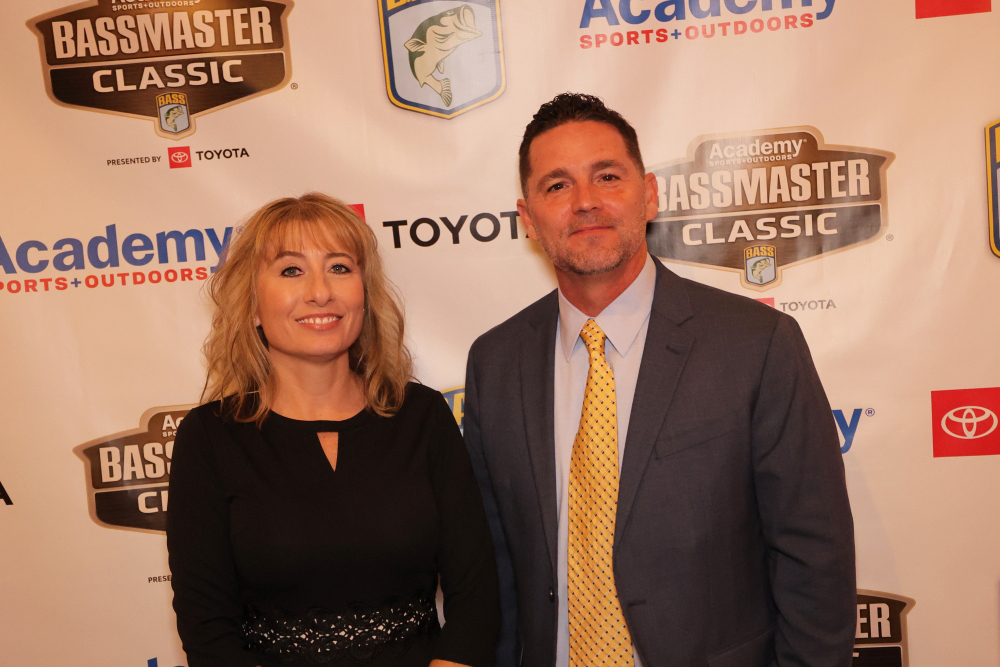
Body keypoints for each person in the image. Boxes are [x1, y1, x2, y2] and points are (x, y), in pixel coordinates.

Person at [463, 94, 856, 667]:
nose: (586, 201)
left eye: (607, 176)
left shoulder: (756, 343)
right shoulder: (495, 363)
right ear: (527, 218)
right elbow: (494, 565)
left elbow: (814, 557)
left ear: (648, 194)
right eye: (558, 185)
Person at [167, 193, 499, 667]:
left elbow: (477, 598)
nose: (320, 292)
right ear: (253, 306)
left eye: (340, 267)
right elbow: (207, 631)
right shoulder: (209, 437)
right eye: (291, 270)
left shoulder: (422, 416)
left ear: (364, 295)